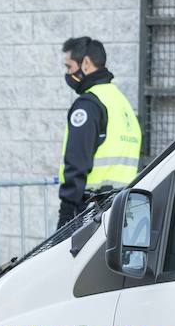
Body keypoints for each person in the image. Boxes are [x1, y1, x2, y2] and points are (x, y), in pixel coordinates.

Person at [58, 36, 142, 228]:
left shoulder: (88, 104)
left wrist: (65, 213)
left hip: (90, 210)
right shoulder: (121, 102)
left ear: (85, 63)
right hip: (121, 208)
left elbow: (77, 161)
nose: (68, 73)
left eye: (69, 67)